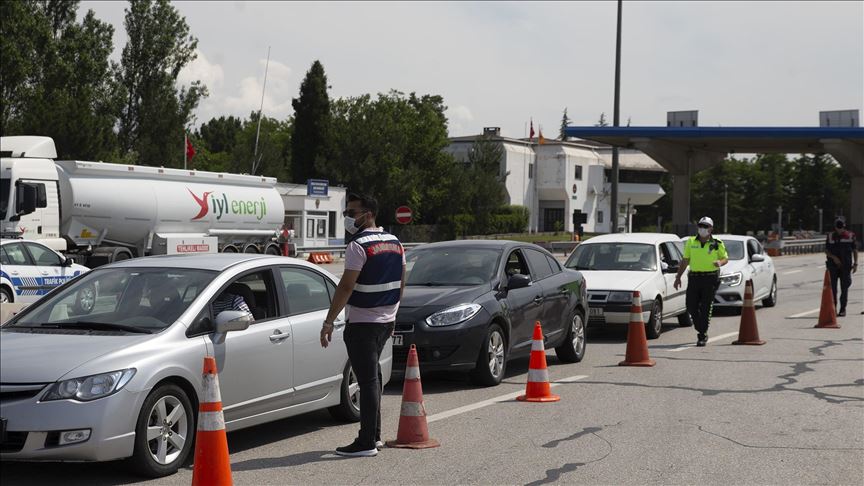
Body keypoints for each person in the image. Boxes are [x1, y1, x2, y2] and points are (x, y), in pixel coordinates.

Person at [321, 192, 405, 457]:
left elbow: (346, 286)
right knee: (374, 379)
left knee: (367, 381)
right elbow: (402, 281)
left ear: (368, 214)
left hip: (362, 323)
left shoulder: (358, 245)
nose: (347, 217)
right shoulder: (394, 241)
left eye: (352, 212)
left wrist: (328, 321)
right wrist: (393, 312)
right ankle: (375, 435)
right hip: (385, 321)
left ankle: (366, 441)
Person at [674, 216, 728, 347]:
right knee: (690, 305)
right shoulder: (691, 242)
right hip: (694, 277)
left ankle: (702, 334)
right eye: (700, 226)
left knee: (706, 306)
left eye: (705, 226)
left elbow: (725, 258)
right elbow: (685, 260)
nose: (702, 229)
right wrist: (678, 277)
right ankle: (700, 327)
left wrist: (719, 263)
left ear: (711, 229)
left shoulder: (717, 242)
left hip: (710, 278)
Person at [825, 218, 858, 317]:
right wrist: (834, 257)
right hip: (833, 266)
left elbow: (855, 250)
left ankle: (843, 309)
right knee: (833, 289)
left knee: (845, 288)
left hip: (846, 266)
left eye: (841, 227)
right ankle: (833, 308)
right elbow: (826, 250)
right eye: (838, 227)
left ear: (844, 226)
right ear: (835, 227)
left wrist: (855, 263)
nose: (840, 230)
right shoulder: (830, 236)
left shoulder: (850, 236)